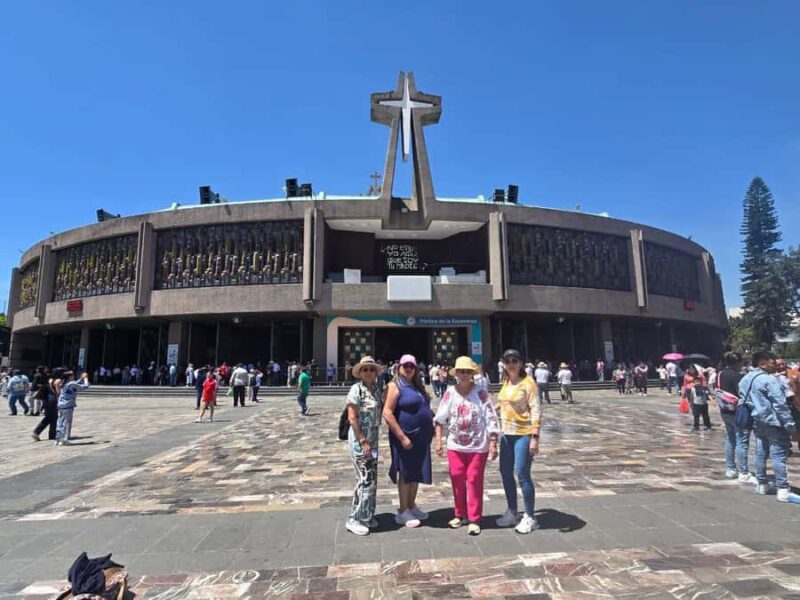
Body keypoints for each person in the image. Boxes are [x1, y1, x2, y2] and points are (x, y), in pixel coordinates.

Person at [434, 357, 500, 536]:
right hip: (455, 445)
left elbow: (491, 418)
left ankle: (474, 518)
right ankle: (459, 513)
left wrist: (493, 442)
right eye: (461, 371)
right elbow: (440, 418)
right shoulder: (450, 392)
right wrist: (438, 441)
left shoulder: (481, 393)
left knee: (473, 479)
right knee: (456, 477)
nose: (464, 375)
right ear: (456, 374)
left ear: (472, 374)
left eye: (467, 372)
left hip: (478, 446)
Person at [740, 351, 799, 503]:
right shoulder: (769, 381)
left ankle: (762, 484)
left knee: (761, 452)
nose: (775, 366)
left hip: (757, 420)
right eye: (772, 363)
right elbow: (780, 405)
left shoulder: (746, 379)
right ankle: (783, 489)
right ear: (762, 363)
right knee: (779, 455)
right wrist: (790, 425)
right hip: (774, 421)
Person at [383, 354, 433, 528]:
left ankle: (411, 505)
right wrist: (402, 436)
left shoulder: (417, 386)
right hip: (405, 436)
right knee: (405, 472)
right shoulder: (394, 386)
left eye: (412, 366)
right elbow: (387, 413)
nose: (409, 368)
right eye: (406, 366)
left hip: (421, 437)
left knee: (416, 471)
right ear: (399, 368)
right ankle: (403, 509)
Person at [495, 349, 542, 534]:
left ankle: (530, 516)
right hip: (506, 434)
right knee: (505, 472)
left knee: (522, 473)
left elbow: (536, 409)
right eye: (507, 361)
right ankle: (512, 511)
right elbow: (502, 402)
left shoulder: (528, 384)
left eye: (515, 360)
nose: (511, 364)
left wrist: (535, 438)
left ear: (521, 363)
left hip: (523, 433)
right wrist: (488, 409)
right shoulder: (506, 381)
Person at [344, 356, 384, 536]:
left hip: (373, 439)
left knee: (373, 479)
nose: (369, 372)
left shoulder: (376, 390)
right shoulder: (356, 390)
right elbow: (352, 417)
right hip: (361, 441)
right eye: (365, 369)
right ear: (359, 373)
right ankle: (355, 518)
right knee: (365, 477)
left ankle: (367, 514)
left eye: (371, 369)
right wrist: (362, 440)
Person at [715, 353, 746, 480]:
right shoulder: (736, 376)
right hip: (736, 410)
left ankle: (730, 468)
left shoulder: (720, 374)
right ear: (737, 362)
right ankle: (743, 470)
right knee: (741, 440)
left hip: (724, 409)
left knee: (730, 439)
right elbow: (741, 393)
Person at [55, 371, 90, 446]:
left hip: (61, 405)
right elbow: (85, 386)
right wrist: (85, 378)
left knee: (60, 422)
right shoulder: (71, 384)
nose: (73, 377)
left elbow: (75, 384)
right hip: (68, 405)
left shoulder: (64, 383)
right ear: (69, 377)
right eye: (72, 375)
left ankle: (58, 438)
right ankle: (64, 439)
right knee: (67, 423)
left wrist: (81, 378)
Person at [32, 367, 60, 442]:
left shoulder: (48, 379)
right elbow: (58, 393)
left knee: (49, 417)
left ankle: (40, 432)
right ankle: (41, 433)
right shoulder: (57, 381)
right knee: (53, 417)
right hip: (53, 400)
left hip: (46, 399)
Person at [683, 365, 710, 431]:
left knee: (702, 409)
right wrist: (684, 392)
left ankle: (706, 424)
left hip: (699, 390)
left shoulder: (699, 375)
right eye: (690, 369)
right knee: (692, 405)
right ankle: (696, 420)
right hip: (689, 391)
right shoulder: (686, 376)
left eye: (693, 369)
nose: (692, 371)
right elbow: (685, 384)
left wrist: (705, 389)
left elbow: (704, 382)